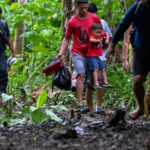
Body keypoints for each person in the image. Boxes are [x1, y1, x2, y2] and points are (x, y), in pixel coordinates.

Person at [106, 0, 150, 119]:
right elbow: (123, 25)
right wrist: (112, 45)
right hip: (140, 50)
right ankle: (141, 107)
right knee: (137, 80)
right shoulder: (137, 7)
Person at [56, 0, 101, 113]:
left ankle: (89, 108)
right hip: (77, 52)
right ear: (76, 7)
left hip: (91, 53)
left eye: (86, 8)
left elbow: (101, 33)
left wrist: (103, 42)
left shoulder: (94, 18)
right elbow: (67, 38)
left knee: (90, 83)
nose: (84, 10)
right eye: (82, 8)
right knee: (80, 74)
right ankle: (80, 104)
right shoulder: (72, 21)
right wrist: (61, 52)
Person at [88, 3, 117, 113]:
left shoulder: (102, 23)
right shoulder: (86, 24)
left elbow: (110, 36)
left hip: (102, 55)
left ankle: (98, 105)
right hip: (90, 55)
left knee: (101, 81)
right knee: (90, 81)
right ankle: (89, 106)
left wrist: (111, 47)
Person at [87, 23, 113, 89]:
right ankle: (96, 83)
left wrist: (107, 39)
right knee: (96, 69)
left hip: (97, 57)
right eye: (97, 32)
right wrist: (98, 40)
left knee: (103, 68)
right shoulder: (91, 36)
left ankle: (105, 82)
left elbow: (107, 33)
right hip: (91, 56)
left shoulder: (99, 34)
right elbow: (90, 40)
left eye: (100, 32)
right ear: (92, 31)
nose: (99, 34)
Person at [0, 7, 16, 95]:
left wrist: (13, 52)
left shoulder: (3, 24)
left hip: (1, 53)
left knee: (3, 71)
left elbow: (9, 38)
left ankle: (2, 94)